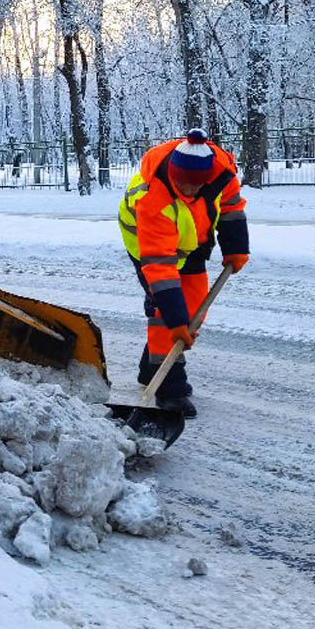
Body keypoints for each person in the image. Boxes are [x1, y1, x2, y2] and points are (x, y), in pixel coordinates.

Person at [118, 128, 250, 418]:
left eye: (195, 186)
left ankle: (150, 370)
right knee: (168, 316)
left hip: (192, 245)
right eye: (182, 184)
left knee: (193, 311)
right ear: (173, 173)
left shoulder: (220, 172)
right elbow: (161, 269)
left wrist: (236, 245)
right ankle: (169, 389)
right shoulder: (154, 197)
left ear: (206, 178)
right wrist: (176, 321)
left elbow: (230, 207)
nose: (188, 191)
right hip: (148, 248)